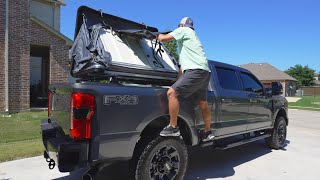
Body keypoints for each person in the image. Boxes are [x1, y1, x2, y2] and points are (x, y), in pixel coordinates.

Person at [156, 17, 214, 142]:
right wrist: (176, 82)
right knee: (203, 103)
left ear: (182, 25)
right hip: (204, 72)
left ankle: (173, 127)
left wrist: (155, 34)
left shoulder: (184, 30)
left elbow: (162, 39)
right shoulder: (191, 41)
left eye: (178, 25)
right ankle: (208, 131)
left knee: (171, 93)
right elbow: (182, 69)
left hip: (195, 71)